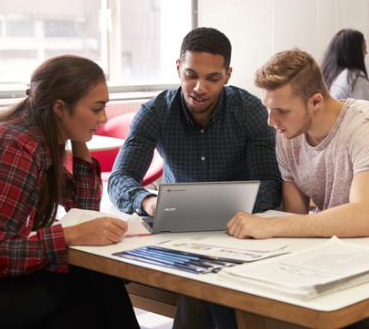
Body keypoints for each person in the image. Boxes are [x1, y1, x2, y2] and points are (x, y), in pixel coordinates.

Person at [107, 27, 282, 329]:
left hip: (238, 228)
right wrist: (148, 201)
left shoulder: (249, 110)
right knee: (196, 285)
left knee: (206, 285)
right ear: (178, 68)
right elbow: (120, 178)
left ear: (227, 75)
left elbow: (270, 183)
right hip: (179, 232)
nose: (200, 87)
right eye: (191, 75)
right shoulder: (156, 112)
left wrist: (228, 207)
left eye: (212, 78)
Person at [0, 56, 139, 329]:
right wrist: (68, 236)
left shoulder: (43, 138)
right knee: (103, 281)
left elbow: (83, 209)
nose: (104, 117)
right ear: (60, 107)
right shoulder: (17, 146)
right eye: (96, 109)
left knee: (88, 314)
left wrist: (79, 138)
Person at [227, 47, 369, 239]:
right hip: (327, 246)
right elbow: (294, 218)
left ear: (315, 102)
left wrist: (271, 225)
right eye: (268, 109)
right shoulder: (288, 134)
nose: (270, 121)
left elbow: (365, 219)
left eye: (282, 110)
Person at [321, 29, 369, 122]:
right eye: (364, 49)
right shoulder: (354, 77)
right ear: (354, 53)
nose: (366, 53)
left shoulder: (331, 75)